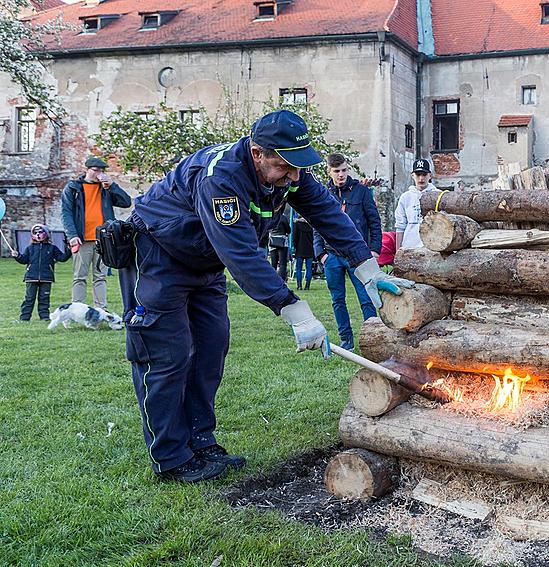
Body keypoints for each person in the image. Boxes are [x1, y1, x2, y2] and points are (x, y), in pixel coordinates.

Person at [117, 109, 413, 483]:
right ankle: (172, 457)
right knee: (167, 354)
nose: (294, 176)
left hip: (204, 262)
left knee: (210, 349)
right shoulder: (221, 178)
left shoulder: (290, 173)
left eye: (299, 167)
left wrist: (366, 268)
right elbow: (241, 255)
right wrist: (297, 313)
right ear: (257, 152)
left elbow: (327, 214)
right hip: (160, 256)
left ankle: (200, 440)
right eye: (286, 167)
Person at [314, 153, 382, 350]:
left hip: (357, 255)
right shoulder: (322, 192)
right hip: (331, 255)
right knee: (338, 300)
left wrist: (375, 250)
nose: (341, 174)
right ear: (330, 171)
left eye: (344, 170)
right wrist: (321, 254)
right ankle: (346, 339)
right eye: (336, 171)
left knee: (366, 297)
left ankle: (373, 338)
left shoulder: (361, 191)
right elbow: (316, 223)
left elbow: (374, 221)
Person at [60, 156, 132, 310]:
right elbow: (66, 213)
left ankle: (101, 311)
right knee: (79, 277)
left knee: (100, 277)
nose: (99, 174)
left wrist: (112, 185)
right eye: (95, 170)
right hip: (82, 239)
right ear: (87, 170)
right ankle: (77, 310)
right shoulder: (73, 188)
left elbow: (126, 202)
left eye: (101, 171)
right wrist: (72, 235)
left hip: (103, 240)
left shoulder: (105, 188)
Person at [13, 224, 72, 321]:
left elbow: (62, 258)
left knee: (44, 298)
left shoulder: (52, 248)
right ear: (32, 235)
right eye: (35, 233)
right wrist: (17, 256)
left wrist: (69, 250)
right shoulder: (30, 248)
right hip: (31, 277)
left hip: (46, 277)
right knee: (29, 298)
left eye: (40, 232)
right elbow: (24, 260)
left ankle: (44, 317)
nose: (38, 235)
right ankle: (24, 318)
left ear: (47, 234)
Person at [395, 158, 439, 249]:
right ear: (412, 175)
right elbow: (400, 226)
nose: (421, 178)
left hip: (433, 247)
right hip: (410, 246)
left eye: (424, 174)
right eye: (418, 175)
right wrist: (397, 251)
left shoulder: (438, 195)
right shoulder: (405, 197)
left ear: (430, 176)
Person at [292, 215, 315, 290]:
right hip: (309, 249)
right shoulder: (311, 224)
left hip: (300, 249)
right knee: (309, 268)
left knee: (298, 268)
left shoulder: (296, 224)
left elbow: (295, 238)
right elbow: (313, 238)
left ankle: (299, 285)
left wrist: (295, 247)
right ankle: (307, 286)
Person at [267, 213, 291, 281]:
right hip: (282, 241)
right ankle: (282, 280)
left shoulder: (270, 217)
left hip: (272, 241)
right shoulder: (283, 217)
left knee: (273, 263)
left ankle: (272, 280)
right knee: (282, 263)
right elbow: (289, 230)